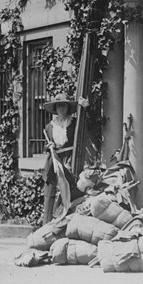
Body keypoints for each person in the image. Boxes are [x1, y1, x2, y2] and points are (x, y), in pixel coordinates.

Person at [41, 93, 86, 225]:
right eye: (59, 106)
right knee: (49, 190)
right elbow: (46, 145)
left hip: (68, 158)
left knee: (68, 188)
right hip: (53, 160)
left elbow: (86, 127)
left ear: (67, 108)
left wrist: (85, 108)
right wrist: (49, 146)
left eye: (64, 106)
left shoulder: (73, 123)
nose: (61, 108)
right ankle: (46, 223)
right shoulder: (50, 126)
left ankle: (61, 220)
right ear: (55, 108)